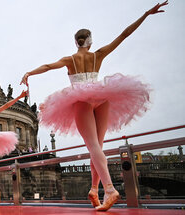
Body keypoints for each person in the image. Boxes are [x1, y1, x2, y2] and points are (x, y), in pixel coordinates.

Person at [19, 2, 167, 211]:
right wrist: (146, 14)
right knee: (97, 146)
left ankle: (109, 189)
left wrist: (29, 73)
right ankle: (94, 189)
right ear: (89, 41)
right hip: (102, 96)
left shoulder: (70, 59)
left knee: (93, 147)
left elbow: (48, 66)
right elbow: (124, 34)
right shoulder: (97, 55)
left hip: (81, 99)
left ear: (76, 42)